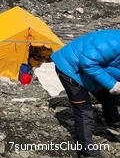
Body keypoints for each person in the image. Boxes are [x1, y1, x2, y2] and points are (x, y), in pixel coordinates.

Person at [51, 29, 120, 157]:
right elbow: (88, 62)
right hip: (70, 68)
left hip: (93, 72)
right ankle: (86, 151)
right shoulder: (112, 42)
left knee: (110, 97)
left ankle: (114, 121)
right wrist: (112, 84)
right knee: (84, 111)